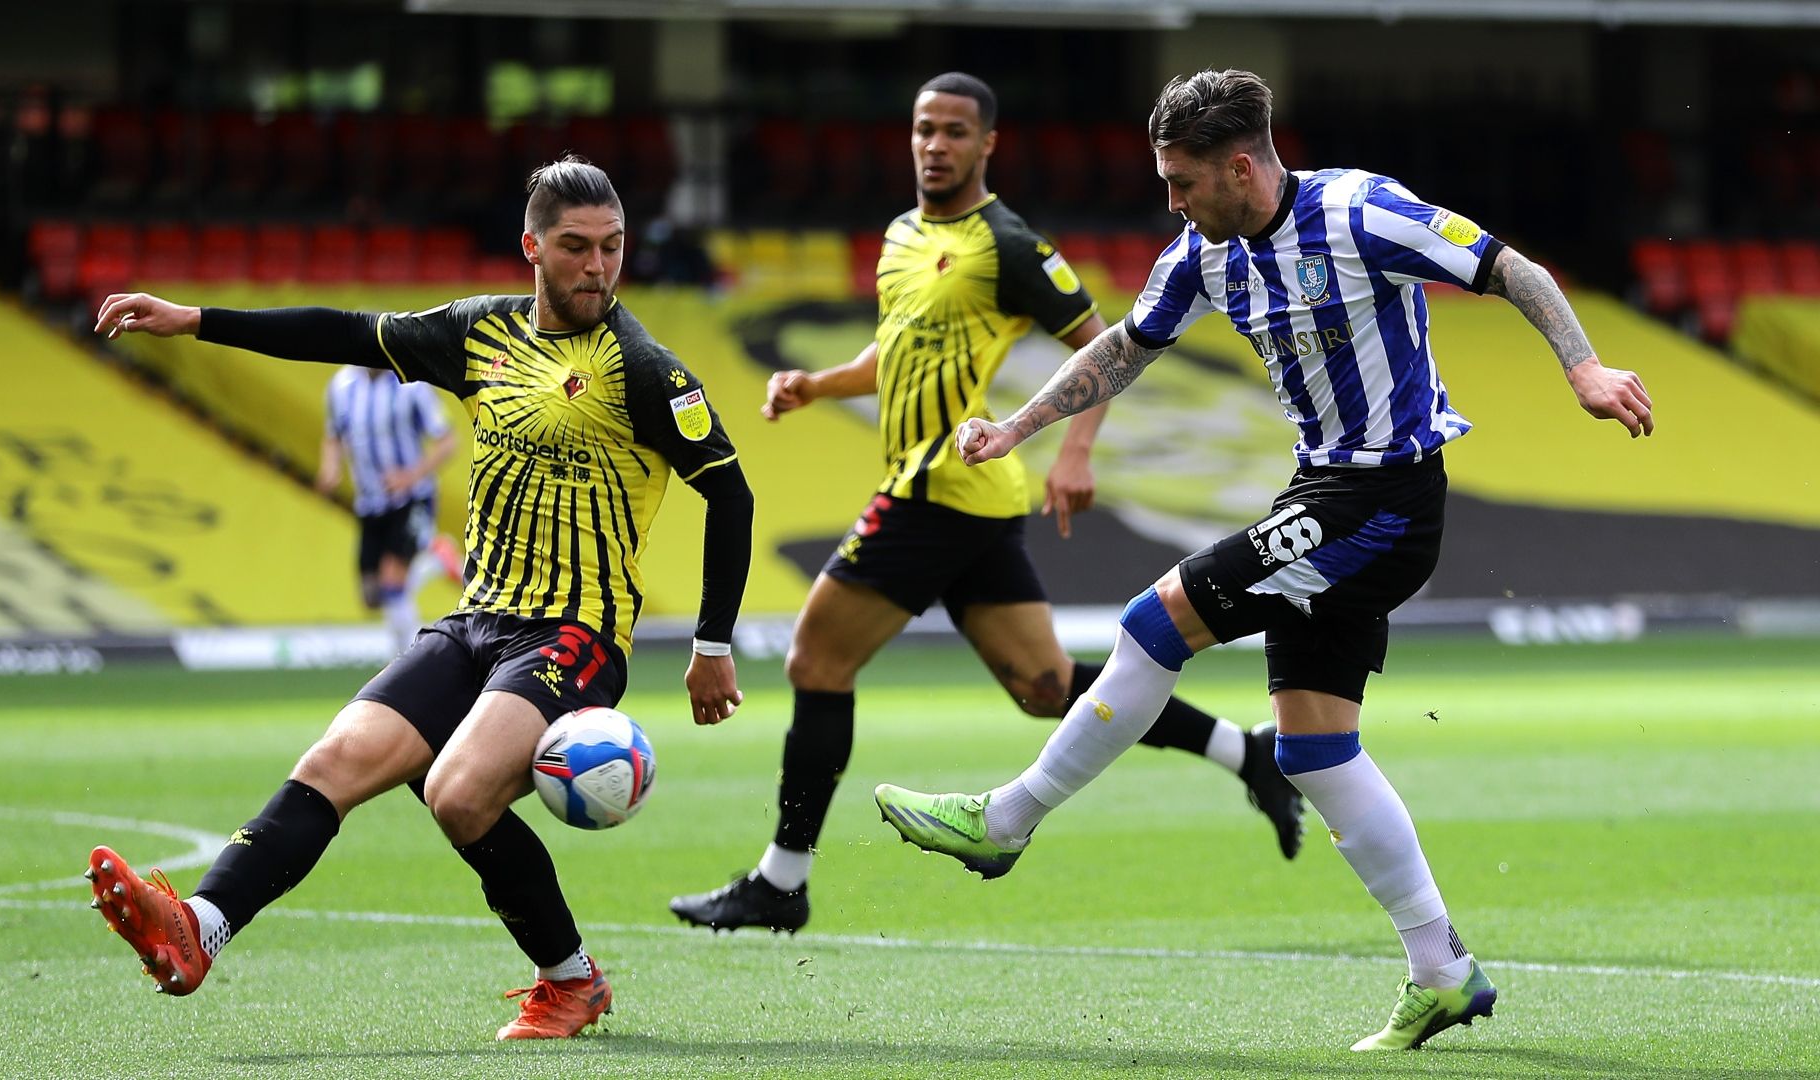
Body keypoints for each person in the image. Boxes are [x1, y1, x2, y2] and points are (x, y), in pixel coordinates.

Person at [874, 69, 1654, 1051]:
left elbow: (1513, 269)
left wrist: (1582, 365)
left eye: (1185, 181)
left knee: (1154, 624)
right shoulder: (1205, 253)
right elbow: (1124, 347)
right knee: (1314, 749)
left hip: (1383, 501)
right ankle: (1443, 972)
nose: (1173, 202)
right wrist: (1022, 426)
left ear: (1242, 166)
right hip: (1321, 494)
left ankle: (1007, 821)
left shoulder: (1363, 212)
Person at [81, 157, 754, 1040]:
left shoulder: (645, 370)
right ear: (533, 247)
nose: (599, 267)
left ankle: (570, 981)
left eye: (613, 248)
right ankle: (198, 928)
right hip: (475, 621)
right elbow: (348, 334)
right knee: (333, 764)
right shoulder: (481, 333)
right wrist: (198, 321)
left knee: (457, 795)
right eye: (578, 247)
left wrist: (711, 645)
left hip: (575, 634)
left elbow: (730, 495)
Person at [669, 72, 1303, 937]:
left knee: (816, 662)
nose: (937, 145)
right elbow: (894, 351)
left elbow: (1102, 344)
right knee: (1045, 686)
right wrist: (816, 384)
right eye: (925, 129)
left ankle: (781, 880)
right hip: (970, 505)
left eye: (956, 131)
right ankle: (1249, 754)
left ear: (987, 145)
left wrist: (1076, 451)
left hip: (936, 490)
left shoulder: (1008, 244)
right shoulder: (900, 237)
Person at [315, 364, 464, 654]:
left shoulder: (413, 387)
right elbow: (333, 434)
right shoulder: (341, 385)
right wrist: (330, 468)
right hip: (370, 503)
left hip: (411, 498)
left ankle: (407, 662)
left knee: (393, 580)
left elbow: (447, 441)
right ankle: (435, 555)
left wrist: (411, 475)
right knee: (372, 595)